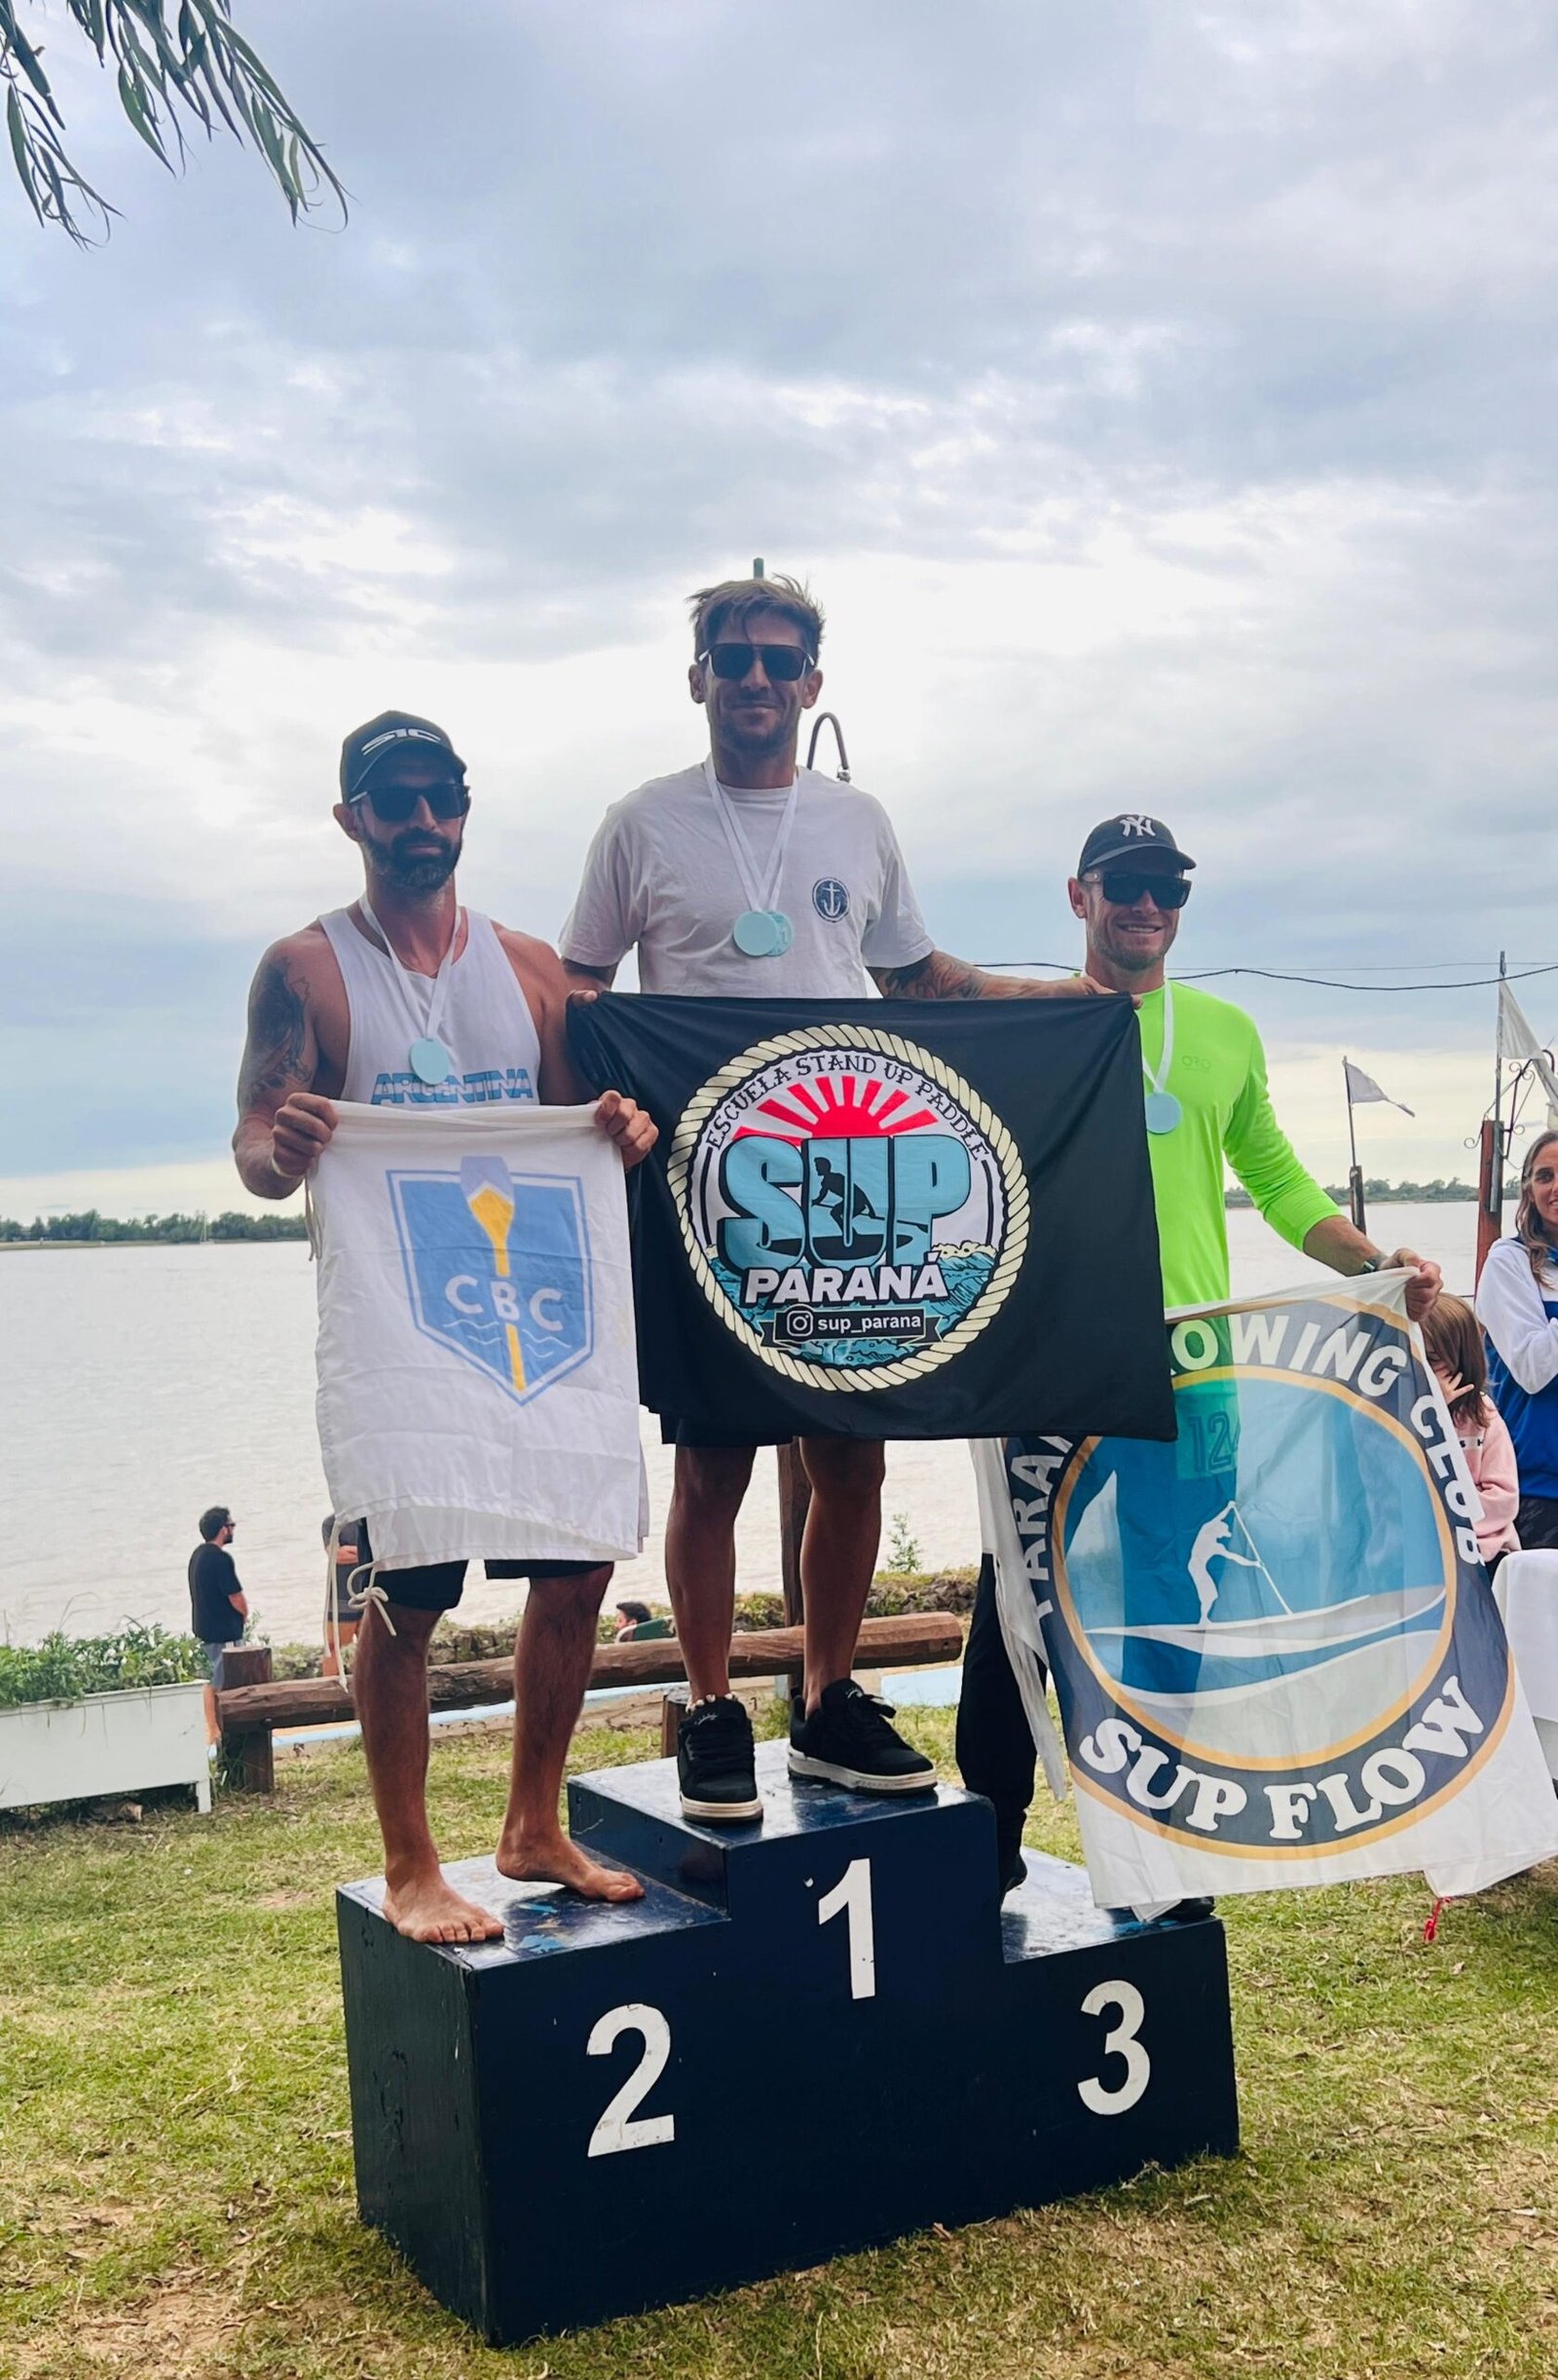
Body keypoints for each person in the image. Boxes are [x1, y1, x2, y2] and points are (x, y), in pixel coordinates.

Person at [561, 572, 1096, 1824]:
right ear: (697, 676)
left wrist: (1060, 1000)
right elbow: (580, 985)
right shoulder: (640, 822)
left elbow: (914, 978)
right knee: (712, 1461)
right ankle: (709, 1705)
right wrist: (597, 1111)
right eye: (731, 657)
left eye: (777, 658)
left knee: (852, 1455)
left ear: (812, 680)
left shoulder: (858, 820)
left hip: (846, 1171)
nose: (754, 678)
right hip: (708, 1183)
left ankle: (827, 1697)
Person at [956, 812, 1444, 1891]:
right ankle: (987, 1842)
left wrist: (1378, 1262)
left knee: (1174, 1597)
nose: (1146, 905)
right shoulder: (1029, 1022)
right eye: (1124, 883)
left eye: (1167, 887)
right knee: (1020, 1601)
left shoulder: (1223, 1032)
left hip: (1193, 1366)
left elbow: (1277, 1182)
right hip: (1051, 1360)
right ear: (1078, 896)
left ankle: (1163, 1846)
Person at [233, 709, 657, 1944]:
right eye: (395, 800)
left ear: (465, 810)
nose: (422, 821)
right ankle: (412, 1863)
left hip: (539, 1308)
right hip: (401, 1327)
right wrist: (282, 1147)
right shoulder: (306, 968)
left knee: (579, 1564)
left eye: (441, 797)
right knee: (408, 1591)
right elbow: (254, 1144)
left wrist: (624, 1131)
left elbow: (585, 1125)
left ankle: (533, 1824)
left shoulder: (531, 969)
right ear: (352, 816)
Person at [1479, 1130, 1558, 1551]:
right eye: (1545, 1176)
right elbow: (1532, 1369)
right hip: (1537, 1489)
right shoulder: (1509, 1262)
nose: (1556, 1187)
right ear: (1529, 1190)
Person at [1420, 1296, 1520, 1565]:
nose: (1421, 1372)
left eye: (1432, 1361)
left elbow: (1504, 1499)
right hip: (1420, 1550)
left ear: (1461, 1362)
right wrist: (1428, 1414)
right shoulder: (1394, 1413)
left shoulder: (1482, 1416)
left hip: (1481, 1550)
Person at [188, 1505, 246, 1738]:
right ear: (223, 1529)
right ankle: (225, 1728)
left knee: (210, 1681)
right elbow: (235, 1596)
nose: (233, 1529)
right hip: (224, 1632)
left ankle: (212, 1728)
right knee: (225, 1682)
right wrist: (243, 1615)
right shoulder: (221, 1559)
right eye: (231, 1525)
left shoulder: (197, 1556)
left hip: (204, 1628)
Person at [321, 1513, 363, 1678]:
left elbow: (383, 1552)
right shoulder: (332, 1522)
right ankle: (328, 1689)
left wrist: (350, 1550)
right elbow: (336, 1555)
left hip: (371, 1593)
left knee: (375, 1646)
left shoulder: (371, 1518)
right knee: (334, 1648)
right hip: (340, 1597)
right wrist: (366, 1552)